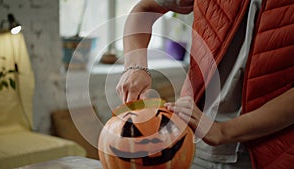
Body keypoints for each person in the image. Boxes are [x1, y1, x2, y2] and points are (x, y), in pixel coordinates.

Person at [116, 0, 294, 168]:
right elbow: (145, 9)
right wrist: (134, 67)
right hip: (191, 142)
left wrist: (223, 131)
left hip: (271, 153)